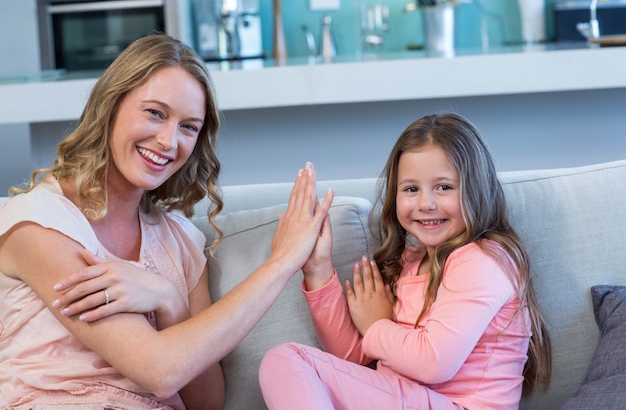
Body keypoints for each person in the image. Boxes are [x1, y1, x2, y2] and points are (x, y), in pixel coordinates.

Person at [0, 34, 333, 410]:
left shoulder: (181, 242)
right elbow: (158, 371)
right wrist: (281, 262)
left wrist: (169, 301)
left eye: (188, 127)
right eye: (155, 113)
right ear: (110, 106)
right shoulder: (39, 224)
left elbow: (206, 402)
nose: (168, 141)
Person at [259, 113, 552, 410]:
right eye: (411, 189)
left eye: (444, 187)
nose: (426, 203)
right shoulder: (411, 262)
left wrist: (376, 323)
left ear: (477, 189)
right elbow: (355, 359)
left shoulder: (484, 260)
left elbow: (435, 362)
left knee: (287, 359)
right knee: (284, 363)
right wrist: (317, 270)